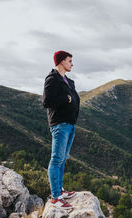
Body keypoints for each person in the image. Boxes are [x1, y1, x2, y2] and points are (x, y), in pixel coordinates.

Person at [42, 50, 80, 209]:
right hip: (59, 125)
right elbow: (46, 101)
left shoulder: (68, 81)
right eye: (69, 61)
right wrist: (66, 98)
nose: (72, 64)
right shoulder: (52, 79)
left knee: (63, 158)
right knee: (57, 159)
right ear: (61, 62)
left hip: (70, 124)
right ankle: (55, 197)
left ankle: (60, 190)